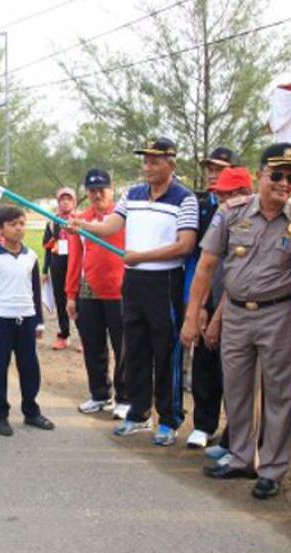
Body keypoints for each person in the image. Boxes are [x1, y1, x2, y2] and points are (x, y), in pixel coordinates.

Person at [182, 143, 291, 500]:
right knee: (236, 388)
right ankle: (240, 457)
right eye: (277, 175)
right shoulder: (230, 212)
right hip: (236, 313)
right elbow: (207, 266)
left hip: (279, 315)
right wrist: (195, 316)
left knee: (278, 395)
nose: (284, 183)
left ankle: (272, 469)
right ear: (260, 175)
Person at [71, 137, 198, 446]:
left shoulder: (185, 198)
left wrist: (141, 256)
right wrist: (82, 225)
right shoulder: (134, 194)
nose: (148, 167)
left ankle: (168, 419)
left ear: (171, 163)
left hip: (164, 282)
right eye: (146, 161)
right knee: (135, 350)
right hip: (133, 283)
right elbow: (112, 225)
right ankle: (138, 413)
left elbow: (185, 244)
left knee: (166, 352)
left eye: (155, 161)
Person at [188, 167, 253, 450]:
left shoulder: (252, 224)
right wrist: (202, 307)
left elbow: (237, 278)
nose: (221, 199)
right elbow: (207, 268)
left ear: (243, 194)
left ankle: (233, 439)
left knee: (235, 377)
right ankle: (204, 425)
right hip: (212, 301)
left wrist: (217, 318)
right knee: (204, 364)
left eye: (226, 194)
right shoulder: (222, 218)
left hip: (237, 309)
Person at [0, 205, 54, 436]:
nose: (19, 229)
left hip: (27, 319)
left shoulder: (30, 256)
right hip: (1, 320)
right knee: (0, 369)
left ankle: (31, 411)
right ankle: (0, 415)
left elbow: (36, 290)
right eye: (13, 225)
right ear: (1, 229)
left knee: (29, 367)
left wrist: (39, 322)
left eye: (22, 224)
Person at [65, 169, 127, 417]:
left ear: (111, 190)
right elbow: (74, 259)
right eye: (92, 190)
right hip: (89, 291)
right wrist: (70, 294)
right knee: (93, 346)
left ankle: (125, 397)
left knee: (124, 348)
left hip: (120, 291)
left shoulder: (121, 217)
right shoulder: (79, 221)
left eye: (102, 189)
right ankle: (100, 394)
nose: (97, 194)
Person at [42, 187, 77, 350]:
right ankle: (64, 334)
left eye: (68, 199)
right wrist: (44, 271)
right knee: (60, 299)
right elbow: (47, 248)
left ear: (74, 202)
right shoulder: (52, 222)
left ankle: (85, 336)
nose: (65, 202)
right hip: (57, 265)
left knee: (80, 300)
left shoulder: (80, 220)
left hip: (76, 264)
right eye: (62, 199)